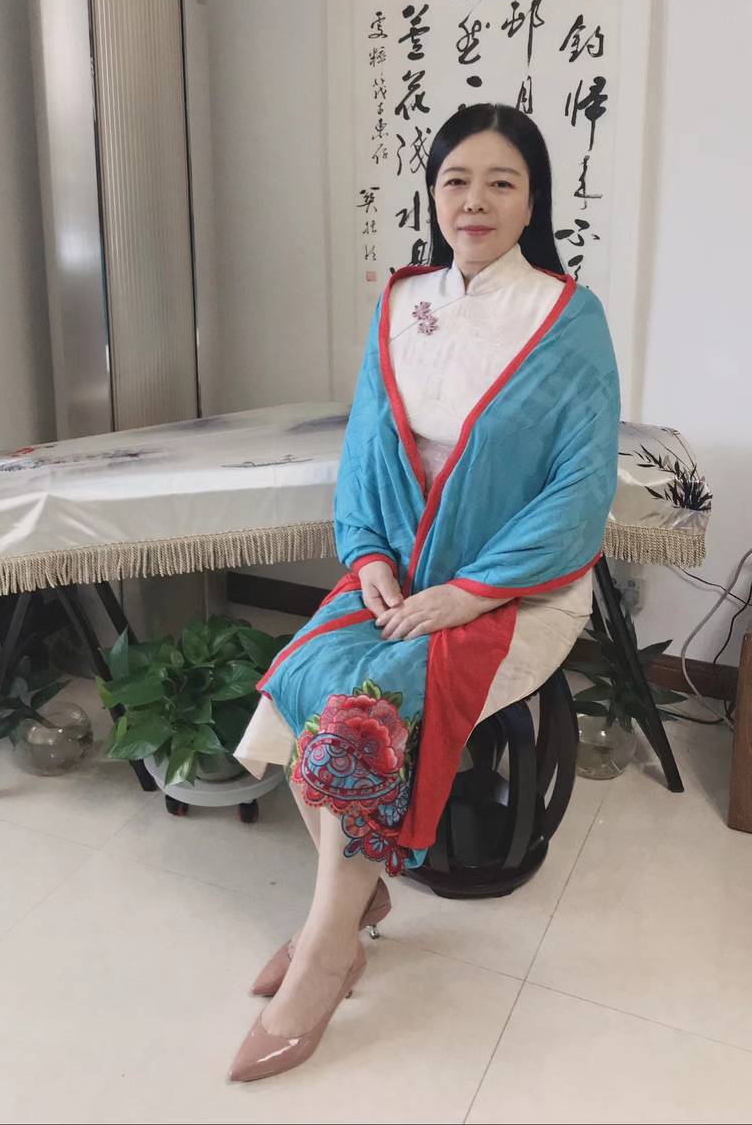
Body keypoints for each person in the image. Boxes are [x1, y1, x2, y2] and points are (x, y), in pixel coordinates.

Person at [231, 102, 620, 1082]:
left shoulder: (568, 318)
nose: (474, 200)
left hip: (518, 590)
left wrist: (472, 592)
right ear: (433, 194)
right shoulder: (402, 300)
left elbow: (580, 489)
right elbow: (367, 445)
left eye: (501, 181)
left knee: (363, 717)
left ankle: (325, 954)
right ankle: (352, 905)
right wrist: (367, 555)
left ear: (532, 200)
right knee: (299, 677)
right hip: (399, 575)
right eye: (455, 180)